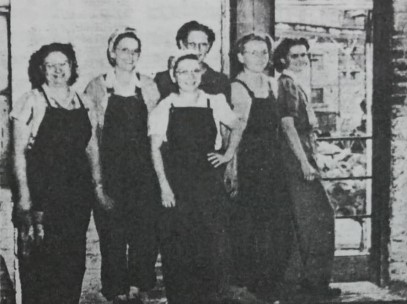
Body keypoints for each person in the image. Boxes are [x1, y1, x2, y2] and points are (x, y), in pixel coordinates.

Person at [149, 51, 244, 304]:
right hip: (177, 184)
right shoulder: (165, 106)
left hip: (208, 184)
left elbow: (237, 126)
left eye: (195, 71)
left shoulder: (215, 101)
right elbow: (155, 150)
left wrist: (227, 155)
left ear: (201, 73)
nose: (189, 77)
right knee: (178, 248)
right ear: (173, 76)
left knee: (211, 247)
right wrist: (164, 187)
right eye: (183, 71)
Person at [11, 43, 97, 304]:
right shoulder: (32, 100)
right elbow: (18, 154)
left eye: (64, 64)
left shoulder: (85, 101)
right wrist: (25, 199)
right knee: (42, 267)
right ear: (41, 69)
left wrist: (99, 186)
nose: (58, 70)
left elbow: (92, 148)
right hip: (42, 197)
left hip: (77, 198)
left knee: (72, 266)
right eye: (51, 65)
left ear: (72, 67)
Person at [84, 27, 160, 304]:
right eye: (124, 49)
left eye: (135, 50)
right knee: (113, 237)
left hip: (144, 174)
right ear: (112, 52)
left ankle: (140, 288)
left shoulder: (149, 86)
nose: (130, 55)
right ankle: (115, 291)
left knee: (144, 235)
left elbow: (158, 132)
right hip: (111, 172)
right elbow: (91, 135)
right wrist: (99, 182)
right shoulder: (97, 86)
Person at [227, 33, 292, 298]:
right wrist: (231, 171)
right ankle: (250, 288)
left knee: (277, 227)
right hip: (249, 165)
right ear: (241, 57)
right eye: (253, 52)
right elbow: (231, 133)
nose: (260, 58)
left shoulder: (273, 84)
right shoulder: (236, 88)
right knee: (250, 228)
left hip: (274, 164)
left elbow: (284, 126)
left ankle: (270, 287)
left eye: (264, 52)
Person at [273, 38, 340, 297]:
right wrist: (303, 162)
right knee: (320, 218)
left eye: (305, 55)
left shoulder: (295, 84)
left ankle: (308, 282)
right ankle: (314, 283)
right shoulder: (287, 84)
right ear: (283, 59)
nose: (302, 60)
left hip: (303, 158)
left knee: (309, 220)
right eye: (295, 55)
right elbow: (288, 126)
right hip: (295, 162)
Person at [154, 20, 230, 103]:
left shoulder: (220, 81)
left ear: (208, 47)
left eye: (203, 44)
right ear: (182, 44)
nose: (197, 49)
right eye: (192, 44)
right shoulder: (164, 79)